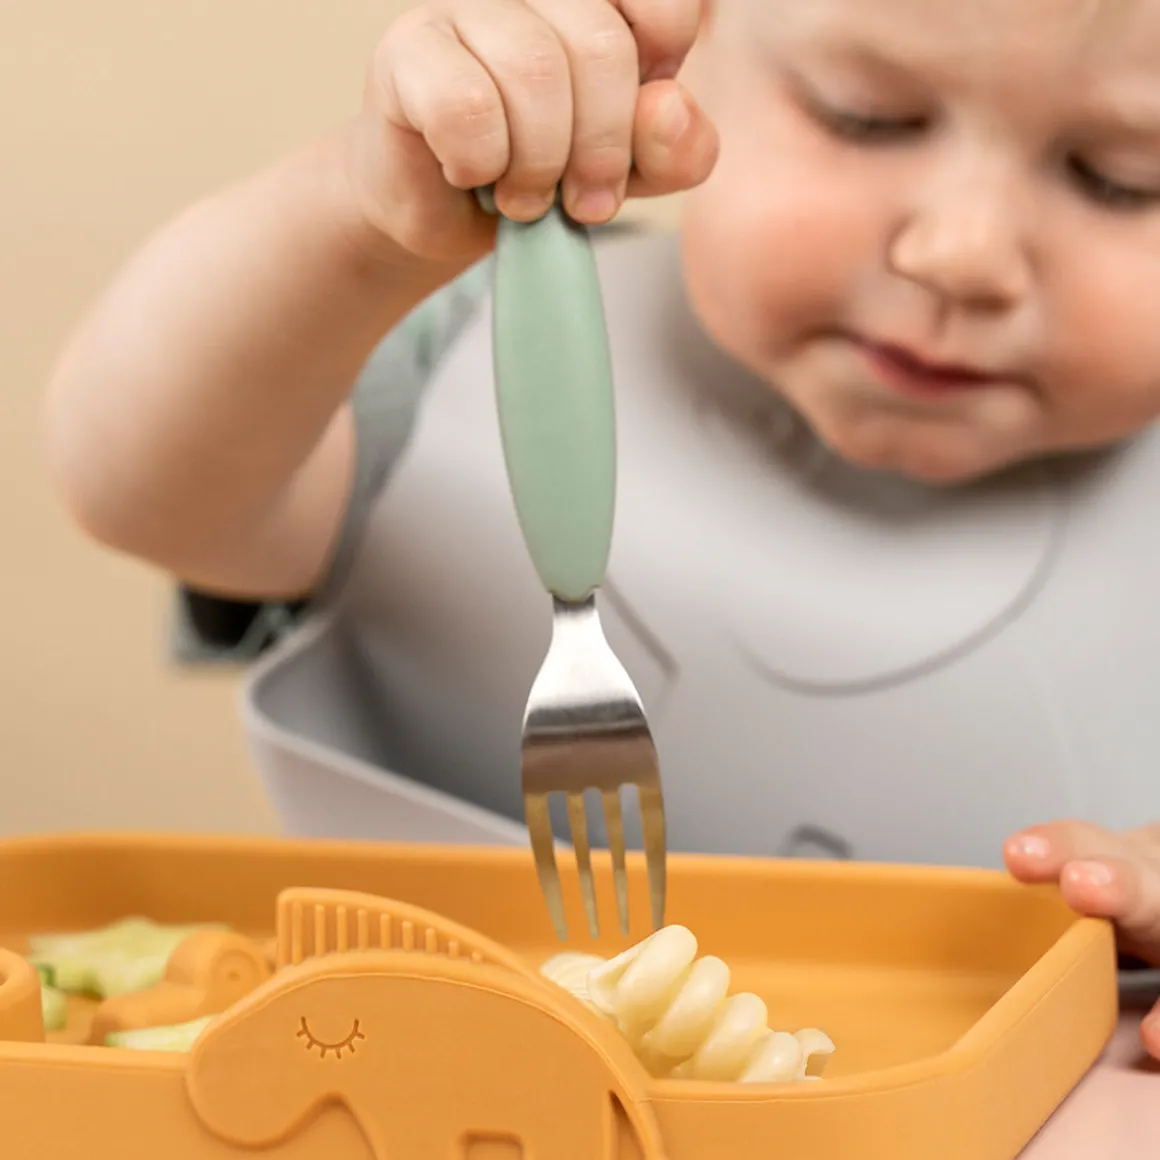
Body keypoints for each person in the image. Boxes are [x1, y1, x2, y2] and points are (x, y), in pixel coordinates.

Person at [43, 0, 1160, 1053]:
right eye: (863, 116)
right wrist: (362, 217)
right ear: (680, 50)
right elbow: (138, 487)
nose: (960, 254)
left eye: (1122, 181)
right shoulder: (485, 346)